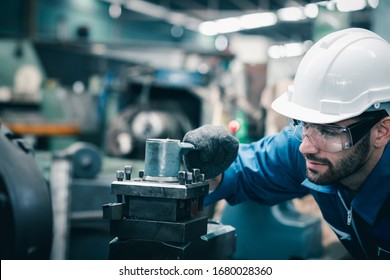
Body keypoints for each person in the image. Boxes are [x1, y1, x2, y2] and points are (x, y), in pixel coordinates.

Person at [182, 28, 390, 260]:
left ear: (381, 131)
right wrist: (212, 170)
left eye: (329, 131)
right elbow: (245, 169)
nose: (305, 147)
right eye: (303, 124)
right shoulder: (307, 146)